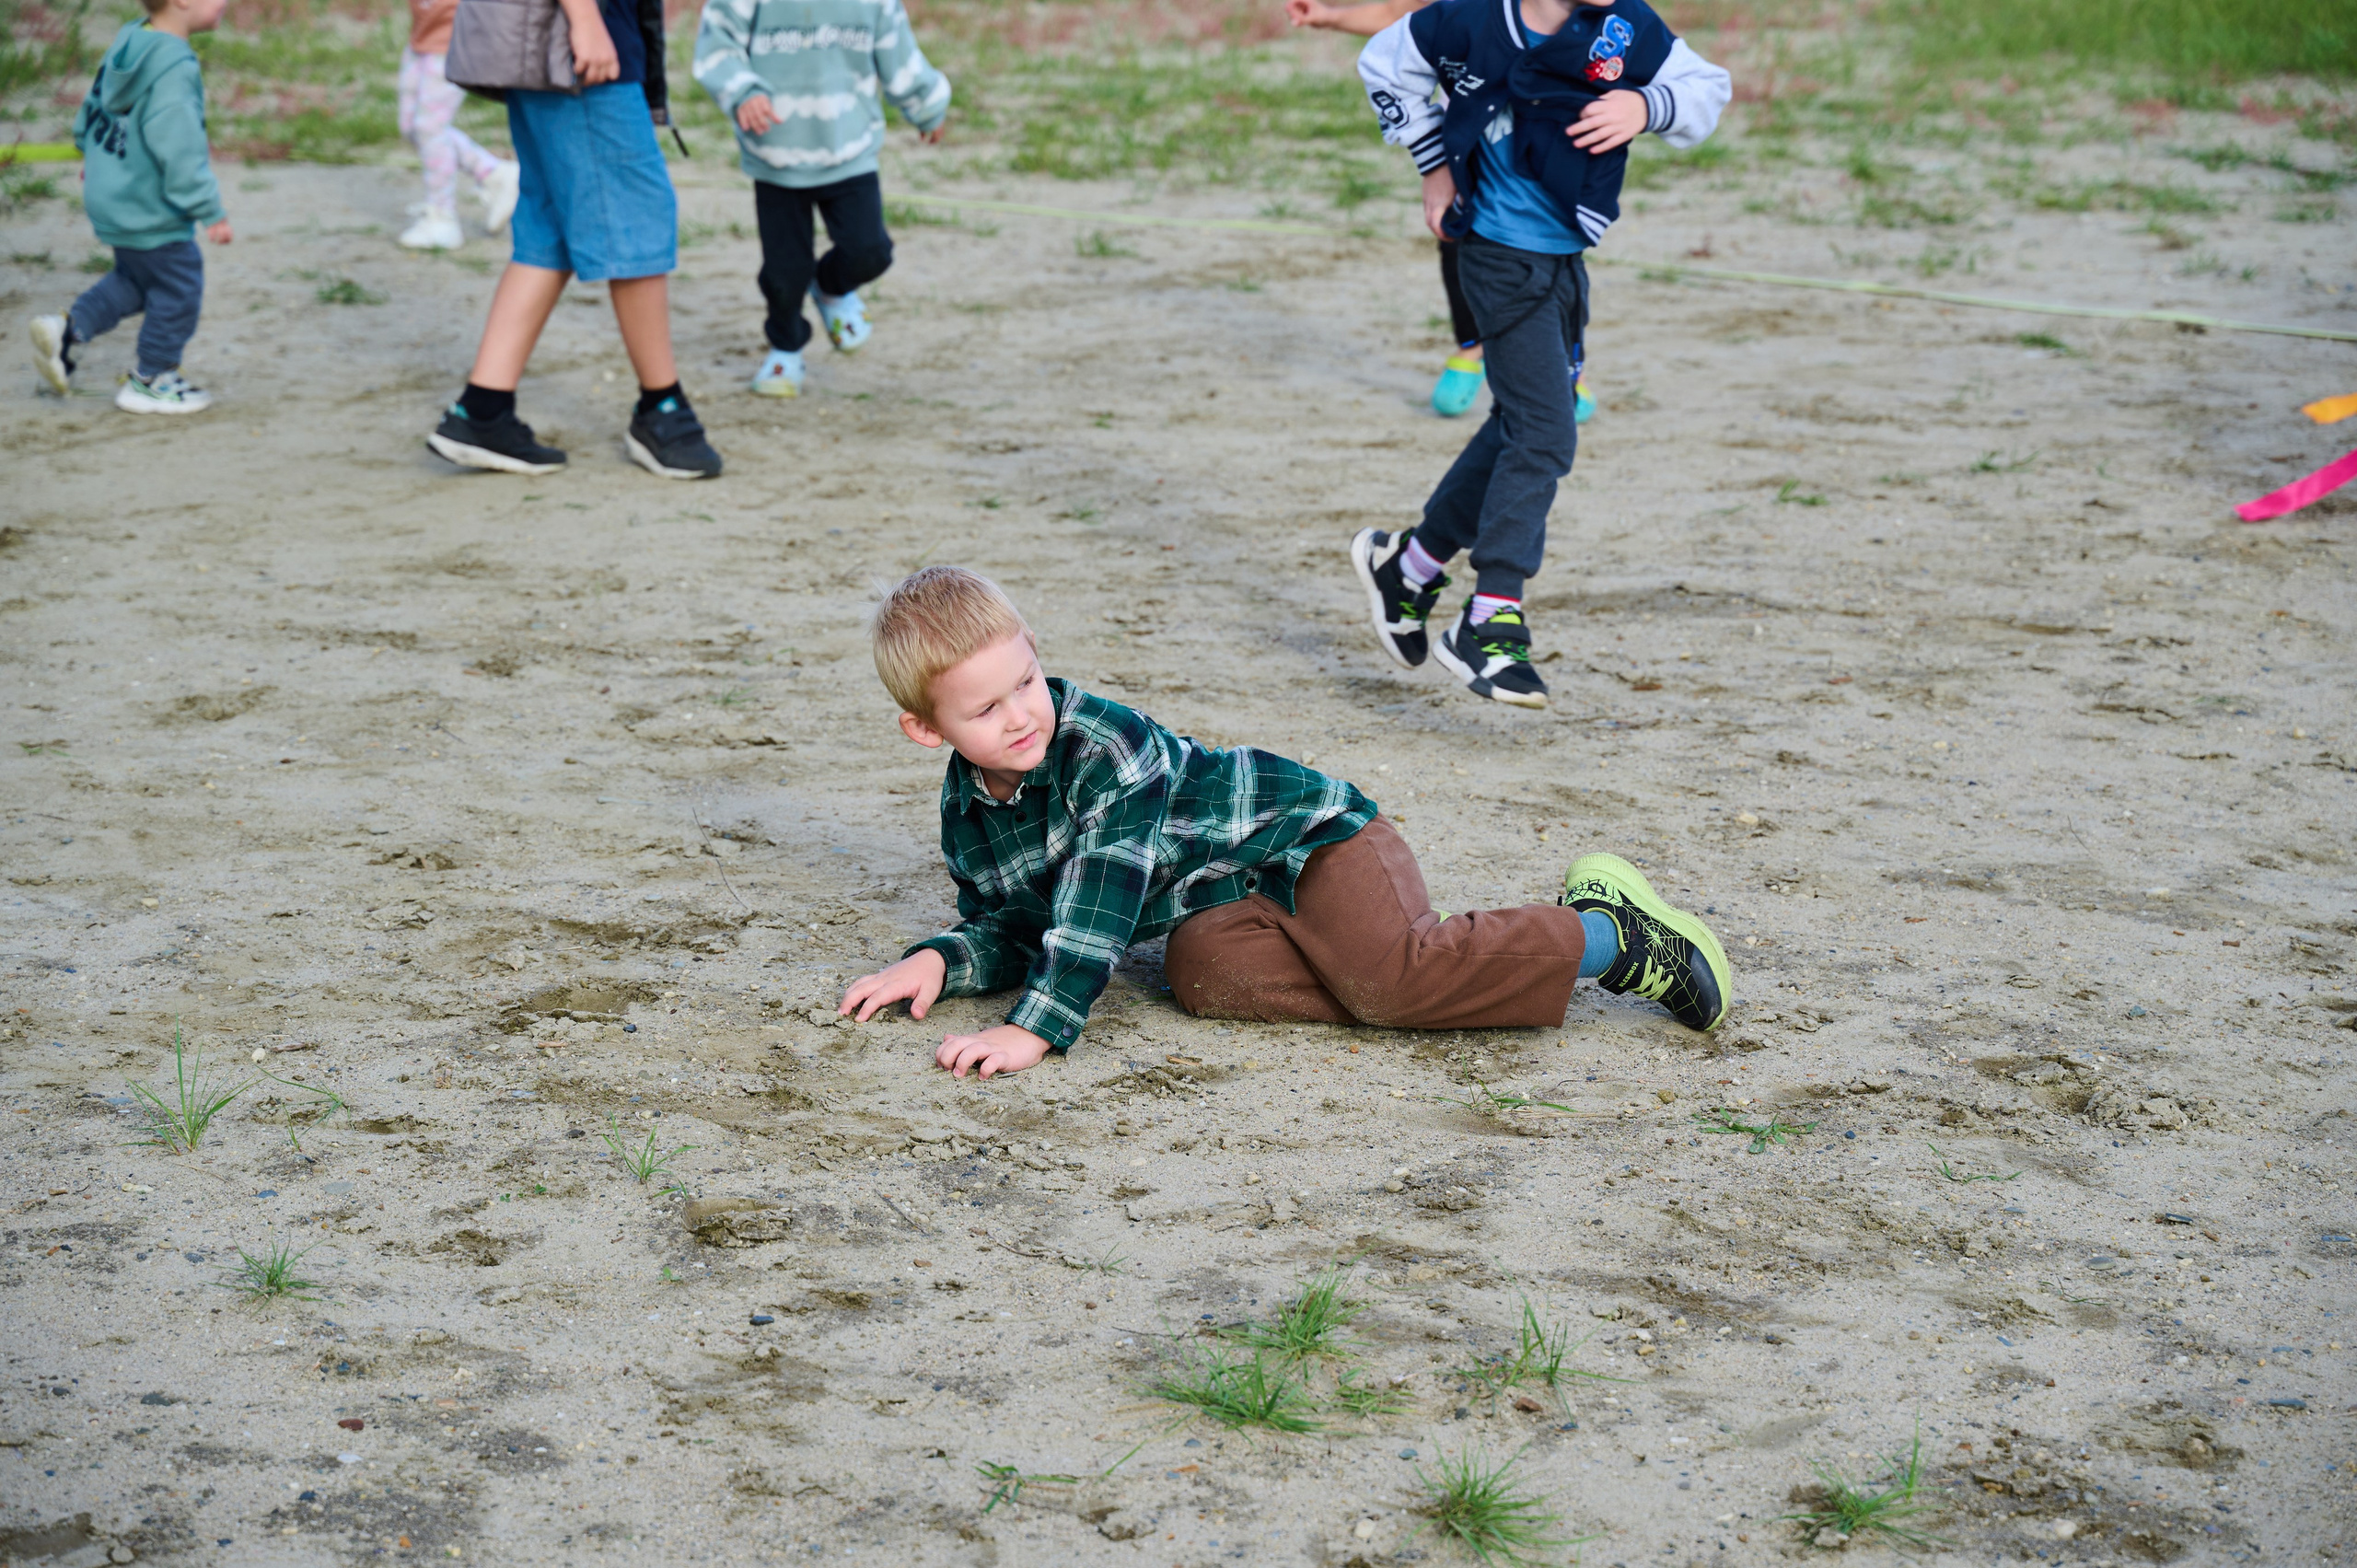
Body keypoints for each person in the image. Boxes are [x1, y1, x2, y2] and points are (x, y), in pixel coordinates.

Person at [836, 567, 1731, 1078]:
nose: (1022, 715)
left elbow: (1098, 905)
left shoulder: (1104, 745)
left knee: (1394, 979)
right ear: (927, 728)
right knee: (1201, 974)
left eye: (1026, 681)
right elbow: (1017, 922)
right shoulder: (967, 810)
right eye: (986, 708)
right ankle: (1398, 975)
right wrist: (941, 958)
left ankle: (1610, 933)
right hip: (1227, 898)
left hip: (1312, 842)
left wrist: (1034, 1025)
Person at [1351, 0, 1727, 707]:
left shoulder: (1626, 31)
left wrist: (1647, 108)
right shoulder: (1465, 22)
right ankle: (1491, 615)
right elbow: (1384, 62)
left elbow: (1708, 88)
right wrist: (1433, 166)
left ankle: (1410, 565)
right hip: (1496, 260)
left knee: (1520, 423)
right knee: (1548, 433)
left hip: (1563, 261)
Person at [425, 0, 722, 479]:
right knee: (636, 220)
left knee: (549, 231)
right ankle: (663, 411)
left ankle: (483, 410)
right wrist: (584, 21)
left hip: (541, 35)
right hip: (570, 38)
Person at [1285, 0, 1592, 424]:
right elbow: (1399, 15)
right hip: (1468, 137)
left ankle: (1561, 361)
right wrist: (1329, 17)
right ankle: (1473, 343)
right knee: (1457, 233)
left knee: (1549, 248)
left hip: (1547, 139)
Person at [692, 0, 950, 398]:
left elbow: (898, 52)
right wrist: (743, 91)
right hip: (777, 155)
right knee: (784, 274)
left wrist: (926, 105)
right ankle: (786, 348)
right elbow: (717, 44)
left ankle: (830, 287)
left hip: (850, 149)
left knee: (870, 251)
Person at [28, 0, 232, 415]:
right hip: (149, 205)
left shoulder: (131, 38)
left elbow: (94, 104)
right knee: (179, 286)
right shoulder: (175, 67)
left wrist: (90, 152)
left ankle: (68, 330)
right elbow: (181, 150)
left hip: (113, 194)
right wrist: (210, 210)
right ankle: (152, 379)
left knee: (137, 279)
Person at [395, 0, 520, 251]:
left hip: (453, 42)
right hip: (421, 39)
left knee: (429, 128)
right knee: (411, 126)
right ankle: (494, 172)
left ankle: (443, 218)